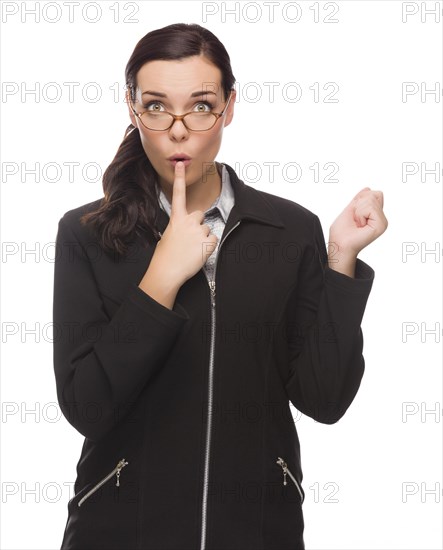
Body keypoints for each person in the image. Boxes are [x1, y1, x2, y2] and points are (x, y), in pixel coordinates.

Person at [53, 22, 388, 550]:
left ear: (229, 107)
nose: (179, 130)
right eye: (157, 106)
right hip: (120, 531)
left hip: (256, 529)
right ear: (132, 108)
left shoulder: (289, 230)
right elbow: (86, 408)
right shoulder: (88, 234)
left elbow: (325, 399)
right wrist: (160, 278)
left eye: (202, 105)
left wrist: (341, 258)